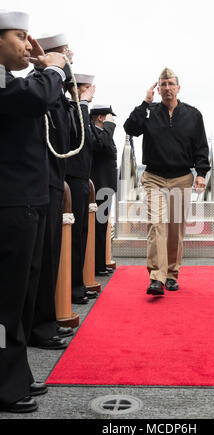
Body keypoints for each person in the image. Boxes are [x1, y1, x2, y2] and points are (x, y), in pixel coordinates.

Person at [0, 10, 66, 412]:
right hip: (9, 202)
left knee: (22, 298)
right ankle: (5, 385)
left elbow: (38, 96)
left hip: (27, 200)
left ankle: (16, 373)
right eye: (21, 36)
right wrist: (54, 68)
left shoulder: (11, 79)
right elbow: (36, 96)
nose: (28, 45)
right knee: (6, 302)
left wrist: (45, 68)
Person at [124, 68, 210, 295]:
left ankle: (172, 274)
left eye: (171, 84)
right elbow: (129, 128)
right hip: (153, 178)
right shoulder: (149, 112)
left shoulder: (193, 115)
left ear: (178, 88)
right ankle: (156, 277)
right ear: (158, 88)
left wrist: (201, 173)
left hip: (182, 178)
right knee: (156, 224)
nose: (167, 88)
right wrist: (144, 103)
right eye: (163, 84)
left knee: (175, 229)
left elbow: (201, 146)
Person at [28, 32, 76, 350]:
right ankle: (37, 326)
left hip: (54, 180)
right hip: (39, 182)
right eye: (66, 54)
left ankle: (45, 321)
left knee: (50, 256)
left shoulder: (58, 91)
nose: (70, 60)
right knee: (38, 259)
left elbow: (69, 138)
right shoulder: (38, 86)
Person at [65, 73, 97, 304]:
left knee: (82, 236)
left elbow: (92, 143)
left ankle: (78, 284)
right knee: (74, 237)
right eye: (87, 88)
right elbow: (80, 138)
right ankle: (73, 287)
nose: (91, 92)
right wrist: (83, 104)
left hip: (82, 180)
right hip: (72, 178)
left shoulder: (80, 111)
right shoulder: (72, 109)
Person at [89, 104, 118, 276]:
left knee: (101, 227)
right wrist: (109, 126)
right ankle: (97, 265)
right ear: (101, 118)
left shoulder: (102, 134)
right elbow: (104, 145)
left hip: (104, 187)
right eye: (109, 116)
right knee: (98, 227)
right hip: (100, 187)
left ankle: (99, 263)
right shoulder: (97, 133)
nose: (112, 119)